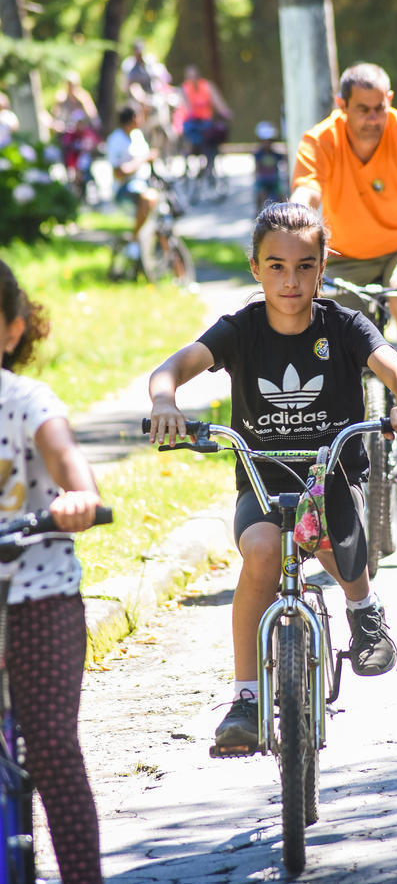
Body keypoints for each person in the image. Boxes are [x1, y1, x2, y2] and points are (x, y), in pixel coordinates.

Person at [148, 202, 397, 748]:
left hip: (331, 477)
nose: (290, 280)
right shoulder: (241, 331)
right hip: (263, 483)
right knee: (261, 550)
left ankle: (363, 609)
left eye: (304, 266)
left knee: (328, 537)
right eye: (276, 266)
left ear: (323, 267)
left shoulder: (344, 326)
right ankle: (246, 699)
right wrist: (164, 402)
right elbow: (170, 369)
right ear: (256, 268)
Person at [290, 62, 397, 439]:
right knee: (321, 322)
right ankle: (334, 415)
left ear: (390, 99)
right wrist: (289, 237)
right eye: (362, 110)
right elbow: (305, 196)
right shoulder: (320, 141)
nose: (373, 119)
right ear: (341, 105)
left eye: (379, 108)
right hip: (344, 255)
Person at [0, 259, 104, 883]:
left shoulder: (25, 401)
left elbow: (65, 455)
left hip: (39, 596)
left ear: (12, 330)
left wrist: (79, 497)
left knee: (51, 748)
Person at [106, 105, 158, 259]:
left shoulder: (137, 135)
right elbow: (118, 173)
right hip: (125, 188)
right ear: (134, 118)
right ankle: (134, 239)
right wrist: (142, 159)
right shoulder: (115, 140)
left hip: (144, 182)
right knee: (147, 198)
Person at [177, 64, 232, 176]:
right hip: (192, 122)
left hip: (206, 122)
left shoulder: (207, 86)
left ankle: (209, 166)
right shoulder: (184, 89)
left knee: (213, 136)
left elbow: (218, 102)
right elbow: (185, 107)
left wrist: (226, 112)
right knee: (190, 135)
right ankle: (190, 161)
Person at [253, 120, 285, 211]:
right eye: (264, 141)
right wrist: (256, 177)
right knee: (260, 195)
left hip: (274, 180)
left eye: (269, 141)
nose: (267, 144)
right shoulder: (258, 154)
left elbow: (283, 160)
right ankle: (258, 211)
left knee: (281, 196)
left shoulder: (276, 154)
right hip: (262, 180)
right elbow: (257, 167)